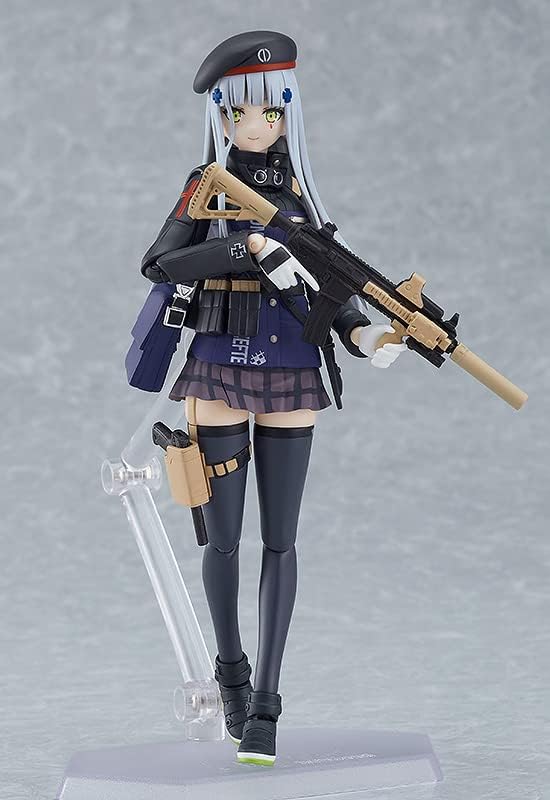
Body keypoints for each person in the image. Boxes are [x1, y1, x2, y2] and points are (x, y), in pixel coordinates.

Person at [129, 30, 406, 766]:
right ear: (222, 115)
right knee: (222, 537)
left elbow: (331, 278)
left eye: (272, 111)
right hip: (219, 364)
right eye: (242, 112)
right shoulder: (208, 186)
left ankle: (268, 704)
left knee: (281, 538)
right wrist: (244, 247)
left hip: (291, 367)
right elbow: (158, 261)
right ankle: (232, 676)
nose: (257, 126)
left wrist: (361, 335)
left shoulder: (299, 195)